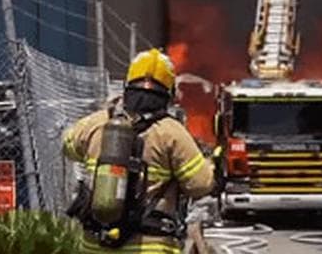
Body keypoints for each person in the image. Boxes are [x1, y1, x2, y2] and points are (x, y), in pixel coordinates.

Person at [62, 48, 215, 254]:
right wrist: (208, 164)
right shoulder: (171, 132)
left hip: (96, 246)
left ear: (127, 87)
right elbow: (201, 184)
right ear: (168, 93)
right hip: (150, 246)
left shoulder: (98, 123)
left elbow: (68, 146)